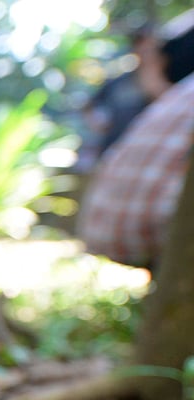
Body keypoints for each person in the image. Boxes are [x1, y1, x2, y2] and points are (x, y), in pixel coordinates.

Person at [76, 15, 194, 269]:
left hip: (108, 229)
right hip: (160, 237)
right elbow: (89, 108)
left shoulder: (170, 95)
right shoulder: (123, 82)